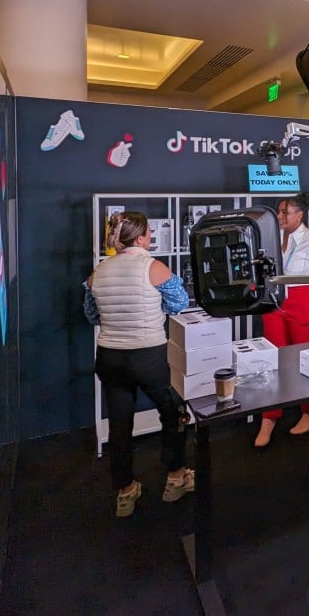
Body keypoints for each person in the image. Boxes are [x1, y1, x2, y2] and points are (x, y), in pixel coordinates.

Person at [84, 211, 194, 517]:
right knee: (173, 412)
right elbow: (179, 304)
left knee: (119, 425)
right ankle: (175, 477)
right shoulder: (153, 267)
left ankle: (125, 490)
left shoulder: (98, 272)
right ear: (143, 237)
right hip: (149, 355)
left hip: (110, 357)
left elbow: (92, 316)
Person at [254, 192, 309, 448]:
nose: (279, 217)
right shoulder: (272, 237)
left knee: (304, 359)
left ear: (299, 215)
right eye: (278, 212)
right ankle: (270, 415)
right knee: (273, 358)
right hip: (276, 301)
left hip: (303, 302)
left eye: (284, 212)